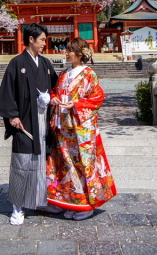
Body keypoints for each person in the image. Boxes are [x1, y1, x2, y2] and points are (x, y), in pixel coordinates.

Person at [0, 23, 62, 225]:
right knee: (22, 163)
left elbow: (56, 86)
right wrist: (12, 116)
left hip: (43, 120)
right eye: (42, 40)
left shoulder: (46, 63)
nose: (44, 44)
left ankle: (40, 201)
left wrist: (52, 97)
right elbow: (7, 91)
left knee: (41, 164)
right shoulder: (17, 63)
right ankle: (17, 207)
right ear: (31, 39)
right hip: (24, 122)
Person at [46, 38, 117, 220]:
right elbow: (55, 91)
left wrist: (76, 104)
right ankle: (72, 202)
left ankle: (87, 205)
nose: (66, 53)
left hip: (81, 128)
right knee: (66, 165)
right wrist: (54, 98)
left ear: (79, 54)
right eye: (67, 50)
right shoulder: (64, 73)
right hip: (63, 125)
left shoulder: (88, 74)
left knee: (83, 164)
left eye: (70, 50)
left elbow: (97, 98)